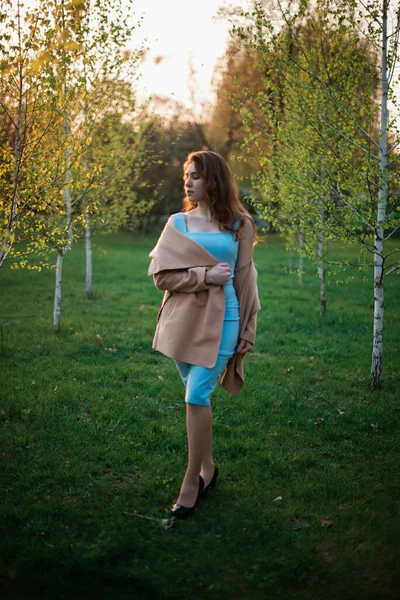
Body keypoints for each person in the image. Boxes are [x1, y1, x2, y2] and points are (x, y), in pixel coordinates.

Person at [148, 150, 260, 519]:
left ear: (214, 179)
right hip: (183, 321)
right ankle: (208, 469)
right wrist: (203, 277)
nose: (188, 182)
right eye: (186, 176)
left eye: (195, 175)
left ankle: (191, 482)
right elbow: (162, 277)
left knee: (197, 394)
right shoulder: (177, 223)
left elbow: (245, 278)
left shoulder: (239, 224)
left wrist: (248, 327)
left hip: (225, 318)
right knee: (192, 392)